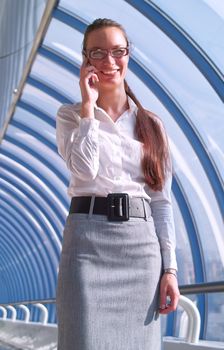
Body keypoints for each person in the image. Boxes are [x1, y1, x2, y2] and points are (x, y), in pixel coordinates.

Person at [56, 18, 180, 350]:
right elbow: (84, 172)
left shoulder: (151, 125)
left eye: (118, 51)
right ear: (85, 59)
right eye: (98, 52)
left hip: (141, 251)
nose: (109, 61)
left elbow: (162, 202)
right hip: (87, 245)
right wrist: (88, 107)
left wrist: (170, 269)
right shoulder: (70, 116)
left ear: (128, 55)